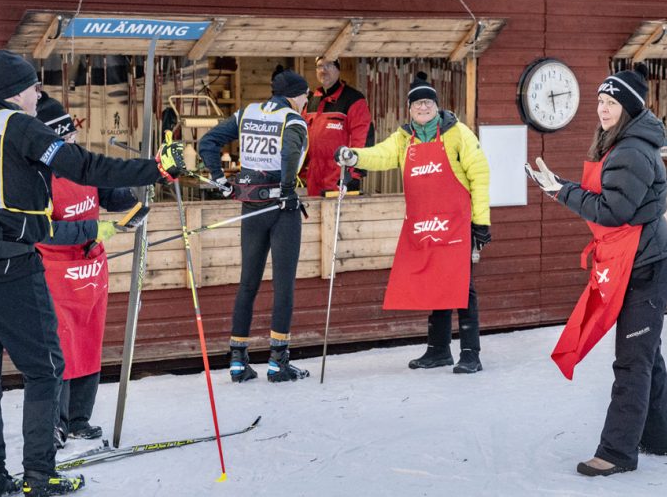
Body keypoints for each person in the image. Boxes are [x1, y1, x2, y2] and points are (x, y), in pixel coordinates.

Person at [0, 50, 183, 496]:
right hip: (10, 264)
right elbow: (84, 166)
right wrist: (157, 169)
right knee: (45, 369)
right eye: (34, 87)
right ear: (16, 90)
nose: (38, 95)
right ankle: (40, 475)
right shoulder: (20, 126)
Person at [526, 65, 667, 476]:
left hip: (644, 265)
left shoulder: (631, 150)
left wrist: (562, 191)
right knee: (646, 353)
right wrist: (560, 184)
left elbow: (614, 210)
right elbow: (606, 195)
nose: (603, 110)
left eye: (612, 103)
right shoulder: (621, 141)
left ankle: (617, 452)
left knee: (633, 360)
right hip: (634, 260)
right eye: (600, 102)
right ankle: (660, 438)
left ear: (628, 108)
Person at [334, 72, 491, 373]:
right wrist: (353, 157)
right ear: (409, 108)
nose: (423, 107)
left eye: (427, 102)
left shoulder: (458, 133)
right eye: (417, 103)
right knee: (436, 284)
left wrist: (481, 222)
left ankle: (471, 354)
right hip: (424, 224)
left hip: (456, 224)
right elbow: (381, 155)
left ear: (436, 105)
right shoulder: (404, 138)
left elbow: (479, 175)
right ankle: (438, 351)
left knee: (462, 286)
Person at [34, 92, 142, 448]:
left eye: (73, 137)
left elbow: (107, 192)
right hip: (55, 270)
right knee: (60, 345)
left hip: (92, 269)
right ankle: (55, 422)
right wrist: (95, 230)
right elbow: (46, 230)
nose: (73, 143)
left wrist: (134, 198)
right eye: (65, 139)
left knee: (89, 341)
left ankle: (80, 418)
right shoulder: (38, 180)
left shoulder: (80, 166)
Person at [198, 68, 310, 383]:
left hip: (251, 207)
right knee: (283, 284)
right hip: (280, 208)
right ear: (294, 95)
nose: (306, 101)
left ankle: (238, 360)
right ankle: (278, 361)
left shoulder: (247, 113)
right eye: (305, 95)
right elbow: (289, 153)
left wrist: (219, 179)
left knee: (248, 283)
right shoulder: (293, 119)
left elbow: (208, 141)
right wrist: (288, 191)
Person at [302, 57, 373, 196]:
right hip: (314, 177)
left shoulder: (353, 99)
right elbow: (302, 138)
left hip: (341, 178)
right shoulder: (311, 101)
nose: (323, 70)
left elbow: (363, 138)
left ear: (338, 68)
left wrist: (355, 174)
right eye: (320, 66)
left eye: (329, 65)